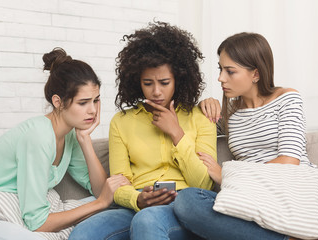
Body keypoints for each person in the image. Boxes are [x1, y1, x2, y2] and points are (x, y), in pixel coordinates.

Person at [173, 32, 318, 240]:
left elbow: (289, 161)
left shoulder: (287, 98)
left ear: (255, 74)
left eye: (230, 71)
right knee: (187, 201)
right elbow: (192, 130)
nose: (221, 78)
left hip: (301, 194)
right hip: (254, 200)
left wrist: (227, 176)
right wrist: (203, 107)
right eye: (220, 69)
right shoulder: (229, 114)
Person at [68, 21, 217, 240]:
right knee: (84, 233)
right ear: (137, 81)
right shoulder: (122, 122)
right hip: (137, 205)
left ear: (179, 79)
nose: (156, 91)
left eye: (164, 82)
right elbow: (118, 183)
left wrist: (176, 133)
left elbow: (204, 184)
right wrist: (137, 200)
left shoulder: (201, 117)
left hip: (185, 205)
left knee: (147, 221)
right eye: (148, 83)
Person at [0, 48, 130, 239]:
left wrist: (85, 140)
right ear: (58, 102)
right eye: (83, 103)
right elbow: (37, 223)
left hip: (26, 206)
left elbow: (99, 189)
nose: (93, 110)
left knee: (112, 210)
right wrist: (100, 204)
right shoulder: (39, 136)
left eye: (96, 101)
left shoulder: (70, 134)